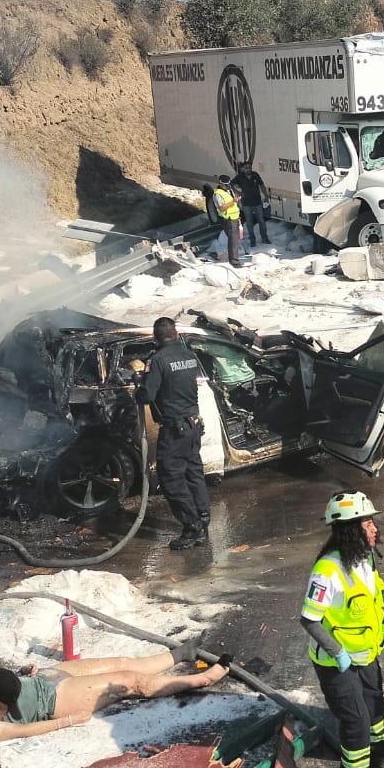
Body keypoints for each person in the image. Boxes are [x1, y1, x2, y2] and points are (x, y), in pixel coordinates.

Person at [300, 491, 384, 768]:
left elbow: (373, 584)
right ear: (349, 529)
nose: (374, 529)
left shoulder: (365, 557)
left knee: (374, 701)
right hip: (337, 662)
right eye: (368, 523)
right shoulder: (327, 571)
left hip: (366, 653)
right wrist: (337, 653)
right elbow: (309, 620)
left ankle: (382, 746)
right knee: (356, 720)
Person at [0, 651, 229, 742]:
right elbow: (21, 731)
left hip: (41, 677)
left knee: (119, 662)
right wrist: (66, 722)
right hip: (56, 699)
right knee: (129, 681)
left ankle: (182, 653)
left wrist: (20, 675)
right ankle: (202, 678)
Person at [142, 316, 210, 550]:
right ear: (177, 334)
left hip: (175, 430)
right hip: (193, 425)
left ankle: (192, 528)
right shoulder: (189, 355)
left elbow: (147, 396)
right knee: (193, 473)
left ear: (155, 338)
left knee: (171, 479)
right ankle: (203, 518)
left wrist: (138, 385)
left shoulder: (158, 360)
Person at [204, 179, 243, 267]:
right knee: (233, 242)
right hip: (228, 220)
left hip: (234, 218)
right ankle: (234, 262)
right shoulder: (218, 194)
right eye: (226, 185)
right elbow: (221, 207)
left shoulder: (227, 191)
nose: (228, 186)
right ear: (221, 184)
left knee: (234, 241)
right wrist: (233, 201)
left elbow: (234, 206)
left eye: (228, 185)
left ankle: (234, 260)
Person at [232, 163, 271, 248]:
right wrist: (238, 192)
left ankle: (265, 238)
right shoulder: (240, 177)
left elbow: (262, 185)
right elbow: (231, 184)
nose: (248, 169)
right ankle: (252, 240)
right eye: (246, 168)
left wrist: (266, 196)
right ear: (243, 169)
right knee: (249, 223)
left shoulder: (255, 175)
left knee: (261, 221)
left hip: (257, 202)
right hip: (246, 204)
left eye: (249, 168)